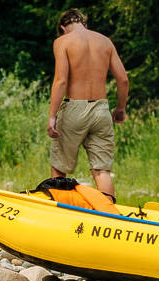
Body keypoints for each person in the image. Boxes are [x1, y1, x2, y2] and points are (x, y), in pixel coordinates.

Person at [47, 8, 128, 202]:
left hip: (74, 108)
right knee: (101, 171)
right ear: (84, 24)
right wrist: (120, 108)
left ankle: (61, 214)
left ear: (63, 27)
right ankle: (108, 214)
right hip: (101, 109)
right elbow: (123, 79)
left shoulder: (62, 41)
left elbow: (61, 81)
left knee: (59, 168)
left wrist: (52, 115)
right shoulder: (105, 41)